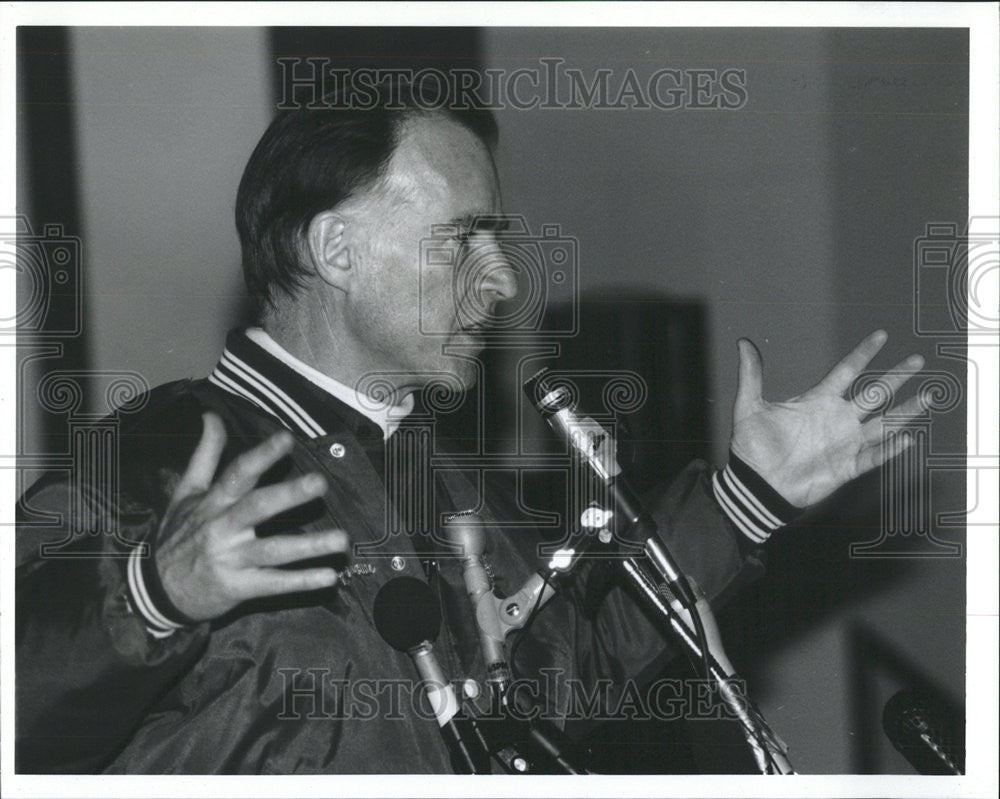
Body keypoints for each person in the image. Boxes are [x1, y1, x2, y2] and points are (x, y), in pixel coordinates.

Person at [15, 79, 925, 774]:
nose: (502, 282)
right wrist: (149, 595)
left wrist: (744, 499)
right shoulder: (161, 453)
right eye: (462, 241)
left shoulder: (442, 484)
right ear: (336, 250)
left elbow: (573, 673)